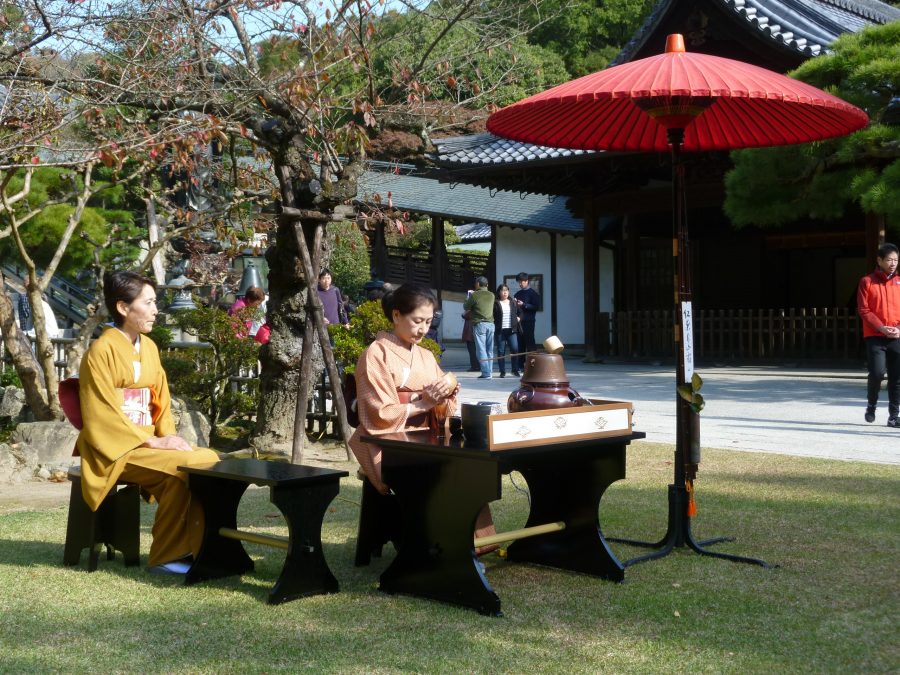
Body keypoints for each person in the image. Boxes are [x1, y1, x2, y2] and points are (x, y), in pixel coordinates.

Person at [76, 271, 220, 574]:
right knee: (184, 470)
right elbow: (100, 411)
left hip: (148, 443)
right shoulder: (100, 351)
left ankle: (195, 548)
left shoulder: (150, 348)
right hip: (115, 448)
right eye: (149, 302)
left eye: (156, 302)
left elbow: (161, 402)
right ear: (123, 308)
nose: (156, 310)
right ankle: (167, 557)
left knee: (207, 459)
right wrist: (153, 441)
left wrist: (169, 437)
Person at [347, 283, 496, 547]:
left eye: (428, 322)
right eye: (417, 321)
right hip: (388, 444)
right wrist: (423, 402)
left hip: (427, 439)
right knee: (440, 473)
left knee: (468, 467)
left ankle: (473, 546)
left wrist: (446, 393)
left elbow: (444, 410)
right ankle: (443, 545)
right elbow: (379, 414)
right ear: (396, 315)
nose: (423, 329)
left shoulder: (426, 355)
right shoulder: (376, 354)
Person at [857, 243, 900, 427]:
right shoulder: (867, 281)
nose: (893, 263)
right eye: (889, 259)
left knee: (897, 377)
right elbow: (864, 309)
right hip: (875, 335)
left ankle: (893, 416)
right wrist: (881, 327)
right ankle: (871, 404)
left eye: (896, 260)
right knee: (877, 372)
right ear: (879, 260)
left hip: (896, 336)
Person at [463, 276, 495, 379]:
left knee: (481, 350)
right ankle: (489, 371)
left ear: (477, 284)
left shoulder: (475, 295)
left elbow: (466, 307)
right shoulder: (492, 295)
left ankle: (486, 373)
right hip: (491, 324)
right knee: (489, 349)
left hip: (480, 324)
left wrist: (469, 296)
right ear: (487, 285)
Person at [493, 283, 523, 378]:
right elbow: (492, 315)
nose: (505, 292)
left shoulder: (513, 302)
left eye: (506, 290)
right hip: (500, 331)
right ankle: (502, 371)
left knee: (515, 349)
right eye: (503, 290)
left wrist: (519, 318)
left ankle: (515, 370)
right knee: (501, 351)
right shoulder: (496, 303)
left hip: (512, 330)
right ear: (499, 292)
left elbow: (521, 313)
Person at [514, 272, 541, 374]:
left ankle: (533, 365)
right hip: (519, 322)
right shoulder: (517, 294)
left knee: (530, 343)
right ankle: (520, 365)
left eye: (522, 282)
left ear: (526, 281)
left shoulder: (533, 294)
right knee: (520, 344)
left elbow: (536, 307)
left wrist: (524, 305)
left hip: (529, 321)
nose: (520, 284)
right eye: (519, 282)